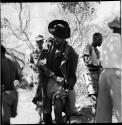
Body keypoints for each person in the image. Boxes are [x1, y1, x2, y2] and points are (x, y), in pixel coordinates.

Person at [35, 20, 78, 124]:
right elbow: (41, 63)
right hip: (46, 82)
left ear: (64, 37)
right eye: (54, 35)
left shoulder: (71, 52)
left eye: (58, 36)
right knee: (46, 114)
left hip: (60, 85)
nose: (55, 38)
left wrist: (68, 87)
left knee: (58, 110)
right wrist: (54, 76)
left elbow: (72, 75)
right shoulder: (48, 45)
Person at [95, 17, 121, 123]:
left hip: (104, 75)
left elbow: (100, 61)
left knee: (103, 113)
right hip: (117, 74)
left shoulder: (106, 40)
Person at [82, 32, 103, 117]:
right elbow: (86, 61)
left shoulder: (97, 51)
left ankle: (97, 117)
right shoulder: (88, 47)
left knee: (98, 97)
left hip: (97, 74)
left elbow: (98, 62)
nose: (101, 41)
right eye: (100, 39)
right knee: (94, 98)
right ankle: (95, 117)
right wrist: (98, 65)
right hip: (90, 73)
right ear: (95, 39)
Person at [1, 45, 22, 125]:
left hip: (4, 95)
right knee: (8, 118)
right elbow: (19, 77)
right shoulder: (12, 61)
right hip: (14, 94)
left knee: (5, 121)